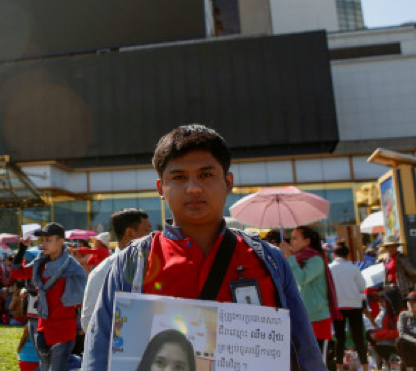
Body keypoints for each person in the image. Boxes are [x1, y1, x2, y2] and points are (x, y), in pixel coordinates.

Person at [84, 124, 326, 371]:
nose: (194, 188)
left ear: (228, 182)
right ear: (161, 189)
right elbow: (98, 353)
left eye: (206, 174)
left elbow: (305, 351)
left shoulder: (270, 260)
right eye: (178, 177)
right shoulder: (132, 263)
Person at [81, 208, 152, 333]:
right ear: (130, 233)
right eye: (146, 231)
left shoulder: (153, 264)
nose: (151, 236)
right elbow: (88, 322)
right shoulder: (103, 272)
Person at [30, 222, 86, 371]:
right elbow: (17, 272)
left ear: (61, 242)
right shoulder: (39, 264)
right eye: (42, 240)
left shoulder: (72, 267)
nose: (44, 244)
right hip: (43, 328)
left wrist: (82, 323)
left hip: (64, 331)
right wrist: (22, 248)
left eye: (48, 240)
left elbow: (82, 297)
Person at [282, 225, 341, 356]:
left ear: (307, 241)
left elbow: (302, 278)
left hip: (318, 318)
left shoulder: (316, 259)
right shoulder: (297, 259)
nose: (291, 242)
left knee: (318, 361)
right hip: (303, 317)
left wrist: (289, 256)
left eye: (295, 238)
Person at [328, 244, 368, 371]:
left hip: (338, 306)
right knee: (359, 337)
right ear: (348, 255)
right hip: (354, 305)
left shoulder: (329, 268)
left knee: (340, 338)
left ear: (334, 255)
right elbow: (362, 287)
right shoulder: (353, 268)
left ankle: (339, 367)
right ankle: (365, 366)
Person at [366, 287, 403, 368]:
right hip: (391, 343)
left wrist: (379, 335)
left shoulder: (402, 313)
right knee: (369, 336)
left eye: (383, 300)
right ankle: (382, 364)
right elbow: (381, 328)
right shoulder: (386, 313)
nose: (380, 303)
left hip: (401, 344)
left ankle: (390, 364)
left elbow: (400, 332)